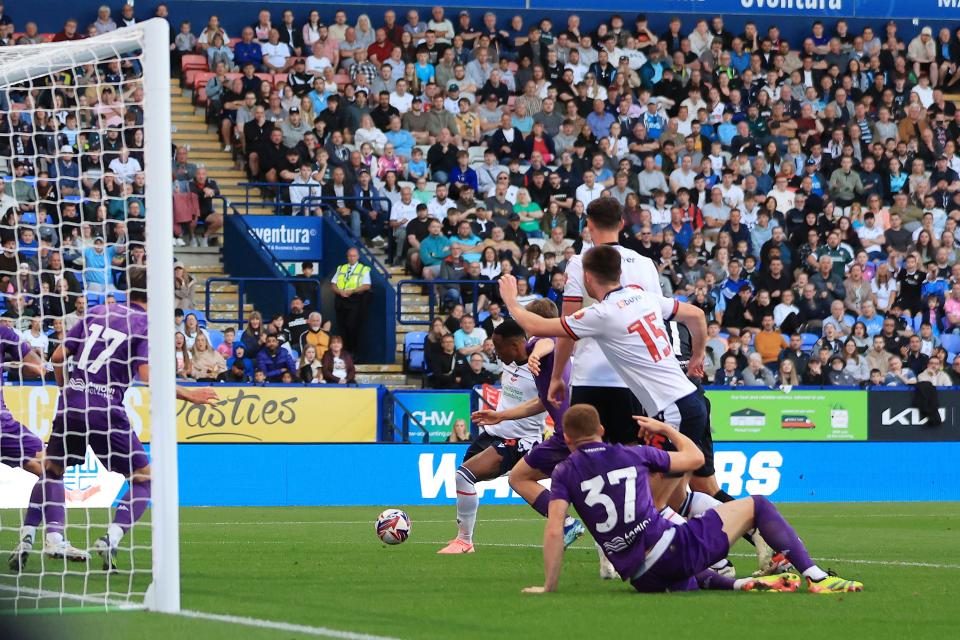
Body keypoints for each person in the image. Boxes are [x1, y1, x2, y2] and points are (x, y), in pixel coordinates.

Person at [522, 404, 863, 594]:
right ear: (601, 431)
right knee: (757, 503)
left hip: (643, 579)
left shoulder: (565, 471)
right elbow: (696, 459)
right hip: (671, 549)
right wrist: (667, 430)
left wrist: (549, 586)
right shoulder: (632, 454)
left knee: (683, 565)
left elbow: (555, 530)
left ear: (566, 437)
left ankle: (741, 583)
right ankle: (818, 578)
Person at [28, 269, 218, 572]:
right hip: (106, 410)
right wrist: (188, 395)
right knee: (145, 478)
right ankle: (111, 538)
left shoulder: (97, 311)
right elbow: (146, 376)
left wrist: (66, 389)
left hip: (72, 406)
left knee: (52, 470)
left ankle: (44, 536)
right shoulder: (146, 324)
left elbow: (58, 357)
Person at [437, 319, 548, 554]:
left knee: (463, 476)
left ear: (515, 345)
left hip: (521, 439)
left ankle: (465, 541)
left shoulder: (538, 365)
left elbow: (545, 399)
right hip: (494, 433)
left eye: (498, 348)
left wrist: (503, 415)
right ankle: (463, 538)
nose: (495, 353)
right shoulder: (509, 361)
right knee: (464, 478)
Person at [330, 248, 372, 356]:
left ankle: (353, 352)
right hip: (340, 300)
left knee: (351, 326)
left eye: (354, 256)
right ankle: (342, 352)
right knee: (341, 327)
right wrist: (340, 292)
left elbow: (367, 285)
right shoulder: (341, 268)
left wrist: (352, 291)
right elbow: (333, 284)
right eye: (349, 256)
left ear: (358, 257)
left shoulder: (363, 269)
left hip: (354, 300)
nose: (351, 258)